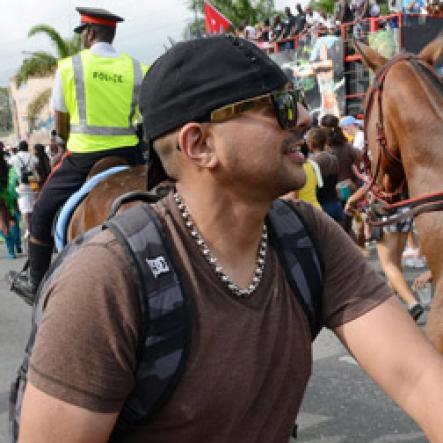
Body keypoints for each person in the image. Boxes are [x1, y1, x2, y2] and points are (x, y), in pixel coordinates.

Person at [16, 36, 443, 443]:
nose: (304, 118)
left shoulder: (308, 236)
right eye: (279, 105)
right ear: (200, 145)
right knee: (43, 209)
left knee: (49, 212)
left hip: (95, 149)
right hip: (116, 149)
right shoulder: (104, 281)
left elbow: (420, 378)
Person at [9, 7, 147, 302]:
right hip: (131, 155)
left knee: (42, 213)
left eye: (83, 32)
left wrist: (62, 143)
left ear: (90, 33)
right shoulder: (137, 67)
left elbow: (60, 117)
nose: (83, 37)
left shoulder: (71, 66)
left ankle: (35, 286)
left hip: (85, 154)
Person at [9, 140, 38, 236]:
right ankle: (34, 227)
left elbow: (9, 163)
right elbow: (36, 163)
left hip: (21, 184)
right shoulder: (33, 157)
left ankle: (29, 229)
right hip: (33, 182)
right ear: (27, 147)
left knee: (24, 209)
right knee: (34, 206)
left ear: (19, 148)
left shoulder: (15, 158)